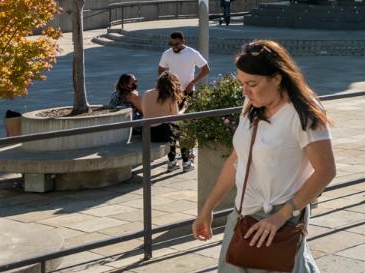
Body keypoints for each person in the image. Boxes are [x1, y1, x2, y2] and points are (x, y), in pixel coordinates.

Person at [193, 39, 335, 273]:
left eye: (252, 83)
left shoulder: (303, 113)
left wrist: (281, 217)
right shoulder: (252, 104)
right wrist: (207, 208)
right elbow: (237, 159)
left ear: (277, 78)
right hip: (241, 216)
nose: (245, 91)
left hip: (278, 221)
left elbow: (326, 171)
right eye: (241, 83)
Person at [160, 32, 210, 169]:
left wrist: (192, 83)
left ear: (183, 41)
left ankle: (188, 156)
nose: (173, 47)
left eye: (176, 44)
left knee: (187, 125)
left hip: (187, 93)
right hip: (172, 94)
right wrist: (167, 85)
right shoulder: (167, 53)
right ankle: (172, 160)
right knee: (172, 125)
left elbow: (206, 69)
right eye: (171, 44)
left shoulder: (192, 53)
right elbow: (161, 70)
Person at [142, 71, 184, 169]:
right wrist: (184, 108)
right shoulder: (170, 96)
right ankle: (185, 162)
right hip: (162, 133)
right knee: (180, 128)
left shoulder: (146, 93)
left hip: (147, 133)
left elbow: (145, 112)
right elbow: (176, 117)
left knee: (170, 127)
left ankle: (173, 161)